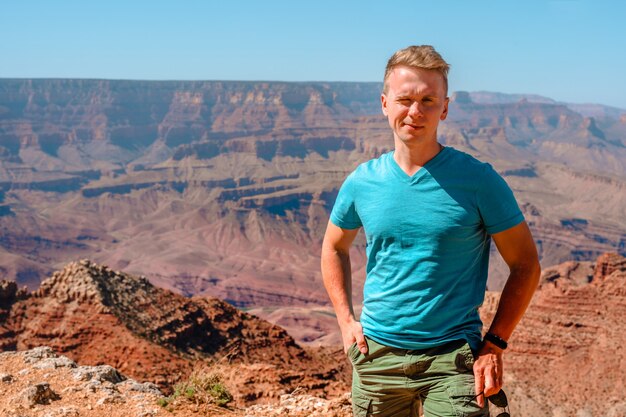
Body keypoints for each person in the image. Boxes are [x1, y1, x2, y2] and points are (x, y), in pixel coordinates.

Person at [321, 45, 541, 417]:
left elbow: (526, 263)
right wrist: (345, 321)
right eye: (405, 99)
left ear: (446, 107)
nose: (415, 111)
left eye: (428, 99)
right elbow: (334, 248)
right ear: (384, 103)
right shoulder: (362, 182)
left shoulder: (478, 180)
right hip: (377, 356)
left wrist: (495, 344)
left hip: (454, 359)